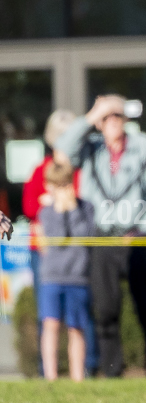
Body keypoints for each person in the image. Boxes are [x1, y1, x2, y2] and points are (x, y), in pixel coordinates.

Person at [56, 95, 146, 377]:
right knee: (105, 309)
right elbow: (62, 151)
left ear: (125, 120)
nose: (112, 121)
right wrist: (91, 116)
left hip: (136, 238)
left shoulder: (144, 147)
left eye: (117, 115)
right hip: (102, 238)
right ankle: (112, 371)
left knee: (145, 308)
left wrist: (143, 230)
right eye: (106, 118)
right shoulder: (91, 149)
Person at [23, 109, 99, 376]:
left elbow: (85, 223)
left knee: (79, 322)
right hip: (49, 262)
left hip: (77, 267)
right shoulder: (40, 171)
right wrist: (52, 207)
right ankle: (49, 373)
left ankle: (85, 369)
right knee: (49, 321)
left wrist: (67, 206)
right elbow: (30, 206)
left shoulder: (77, 173)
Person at [38, 162, 94, 381]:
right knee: (50, 325)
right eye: (57, 185)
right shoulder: (47, 212)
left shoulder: (86, 208)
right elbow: (58, 239)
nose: (62, 190)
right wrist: (61, 212)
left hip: (78, 276)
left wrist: (73, 211)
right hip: (52, 276)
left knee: (76, 328)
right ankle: (50, 375)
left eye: (66, 184)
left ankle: (77, 377)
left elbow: (85, 237)